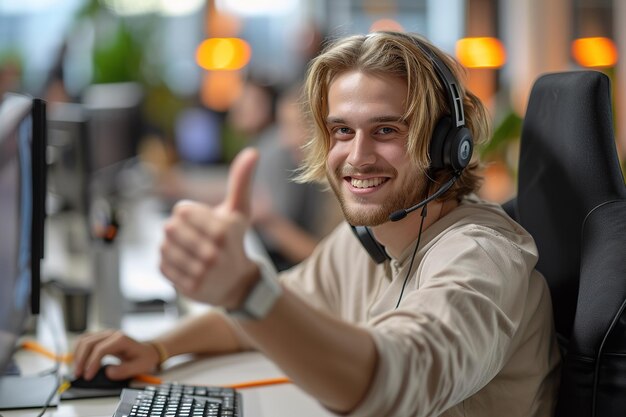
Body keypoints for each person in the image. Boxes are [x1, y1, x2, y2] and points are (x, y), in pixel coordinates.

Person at [73, 31, 561, 417]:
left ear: (444, 145)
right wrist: (157, 347)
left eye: (387, 130)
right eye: (342, 131)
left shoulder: (480, 257)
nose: (357, 156)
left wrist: (246, 288)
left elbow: (395, 380)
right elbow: (266, 314)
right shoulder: (368, 242)